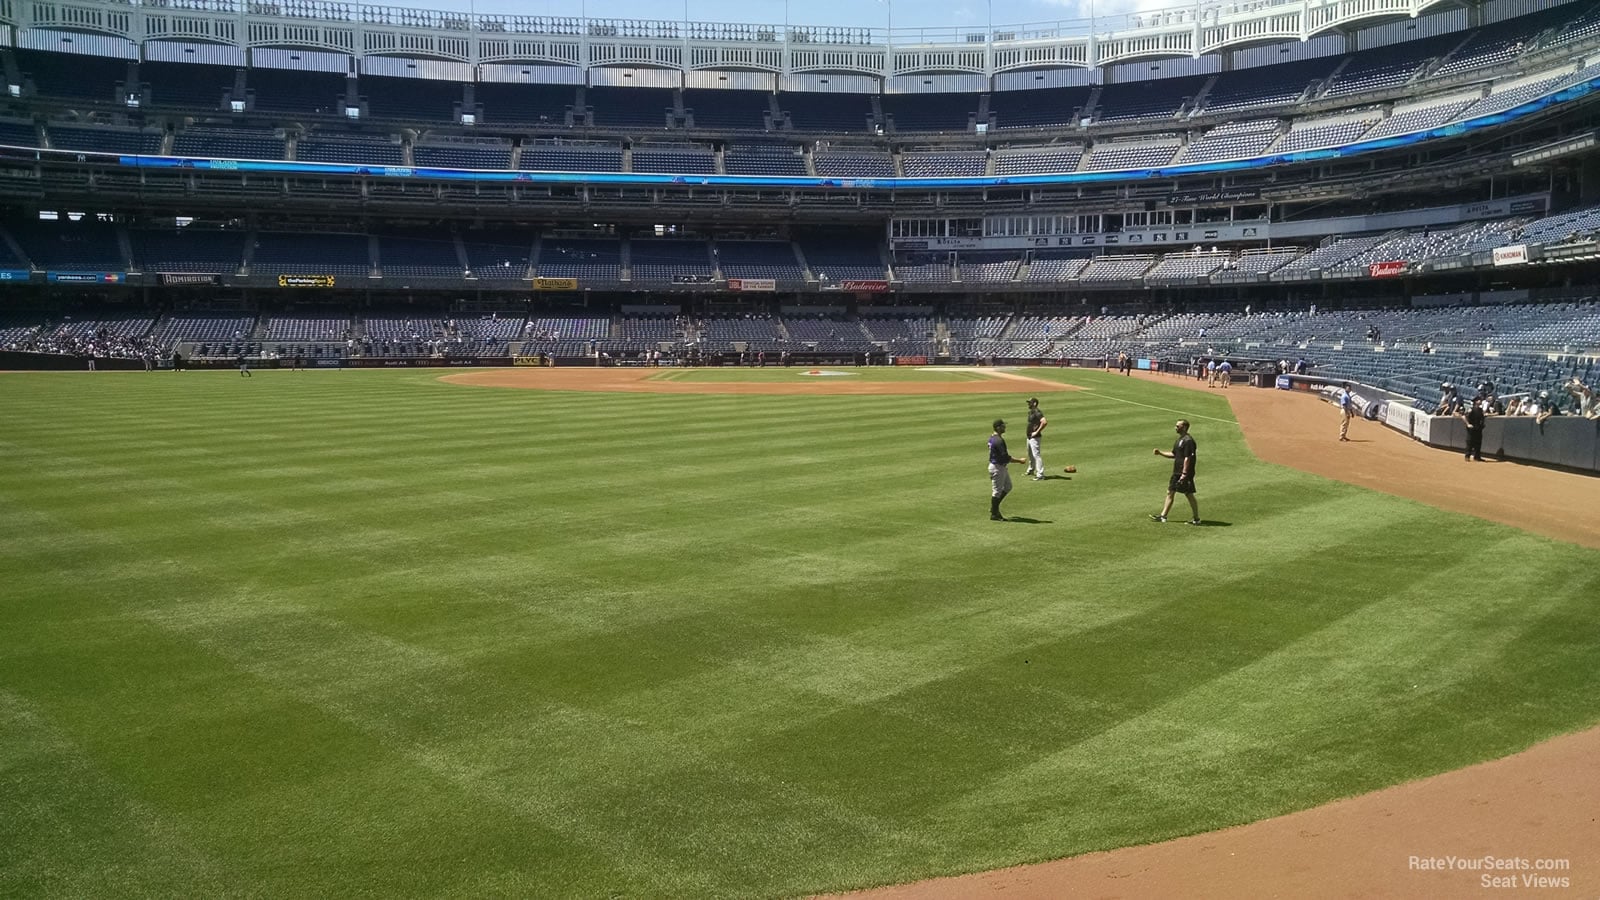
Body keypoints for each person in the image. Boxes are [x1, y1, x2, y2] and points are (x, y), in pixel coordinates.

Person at [1150, 419, 1200, 525]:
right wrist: (1160, 453)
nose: (1175, 427)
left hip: (1184, 473)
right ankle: (1163, 516)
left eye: (1178, 426)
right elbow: (1174, 454)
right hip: (1177, 472)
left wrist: (1184, 474)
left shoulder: (1188, 441)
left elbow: (1188, 458)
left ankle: (1196, 518)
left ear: (1184, 427)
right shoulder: (1179, 440)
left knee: (1189, 494)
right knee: (1170, 492)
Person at [988, 418, 1027, 521]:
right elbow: (1005, 457)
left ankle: (994, 508)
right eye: (1003, 426)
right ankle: (994, 514)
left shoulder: (992, 438)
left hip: (999, 466)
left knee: (1008, 486)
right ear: (998, 428)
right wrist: (1019, 460)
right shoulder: (999, 441)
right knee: (996, 492)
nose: (1005, 427)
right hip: (997, 467)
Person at [1023, 398, 1047, 481]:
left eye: (1030, 403)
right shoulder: (1031, 412)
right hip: (1029, 437)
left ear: (1035, 403)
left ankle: (1040, 474)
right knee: (1030, 455)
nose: (1028, 404)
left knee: (1036, 455)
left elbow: (1044, 422)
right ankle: (1031, 470)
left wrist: (1036, 432)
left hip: (1035, 438)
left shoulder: (1037, 412)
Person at [1461, 397, 1486, 462]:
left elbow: (1482, 418)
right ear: (1475, 402)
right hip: (1472, 429)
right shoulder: (1471, 409)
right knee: (1470, 442)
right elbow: (1464, 416)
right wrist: (1468, 424)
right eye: (1478, 400)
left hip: (1478, 428)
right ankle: (1467, 456)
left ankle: (1477, 457)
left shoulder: (1480, 410)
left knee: (1478, 443)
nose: (1480, 401)